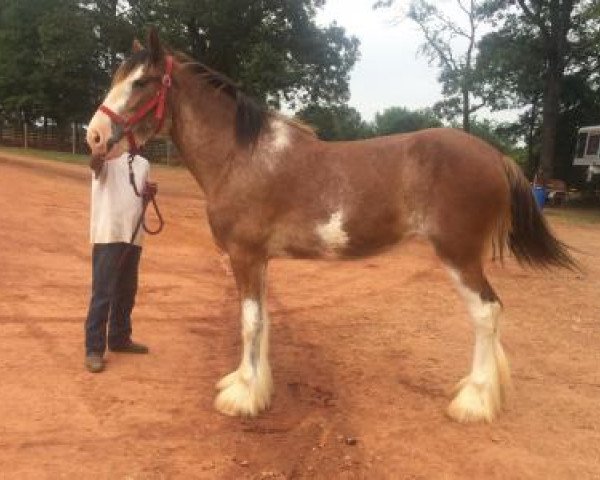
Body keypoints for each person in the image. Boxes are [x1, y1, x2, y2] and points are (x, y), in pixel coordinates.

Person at [84, 152, 156, 373]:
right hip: (109, 233)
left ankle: (119, 337)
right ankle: (94, 349)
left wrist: (147, 194)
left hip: (133, 236)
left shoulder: (144, 163)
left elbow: (136, 196)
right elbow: (95, 165)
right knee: (103, 292)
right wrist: (99, 151)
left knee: (127, 290)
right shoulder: (107, 158)